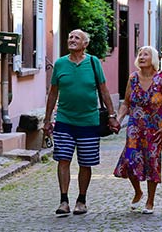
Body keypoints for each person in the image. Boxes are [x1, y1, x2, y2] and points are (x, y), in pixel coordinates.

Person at [43, 29, 119, 215]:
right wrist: (47, 120)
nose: (72, 40)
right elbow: (53, 93)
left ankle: (81, 200)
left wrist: (111, 115)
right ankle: (63, 201)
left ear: (85, 44)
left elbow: (103, 90)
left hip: (89, 121)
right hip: (64, 120)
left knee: (86, 162)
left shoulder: (93, 63)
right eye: (70, 37)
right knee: (63, 159)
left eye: (77, 37)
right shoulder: (60, 64)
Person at [112, 46, 162, 214]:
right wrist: (118, 120)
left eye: (145, 54)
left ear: (153, 58)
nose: (141, 56)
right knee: (131, 159)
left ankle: (150, 201)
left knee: (152, 161)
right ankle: (138, 191)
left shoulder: (161, 79)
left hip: (155, 128)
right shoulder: (133, 78)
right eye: (140, 54)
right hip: (135, 126)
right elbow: (126, 103)